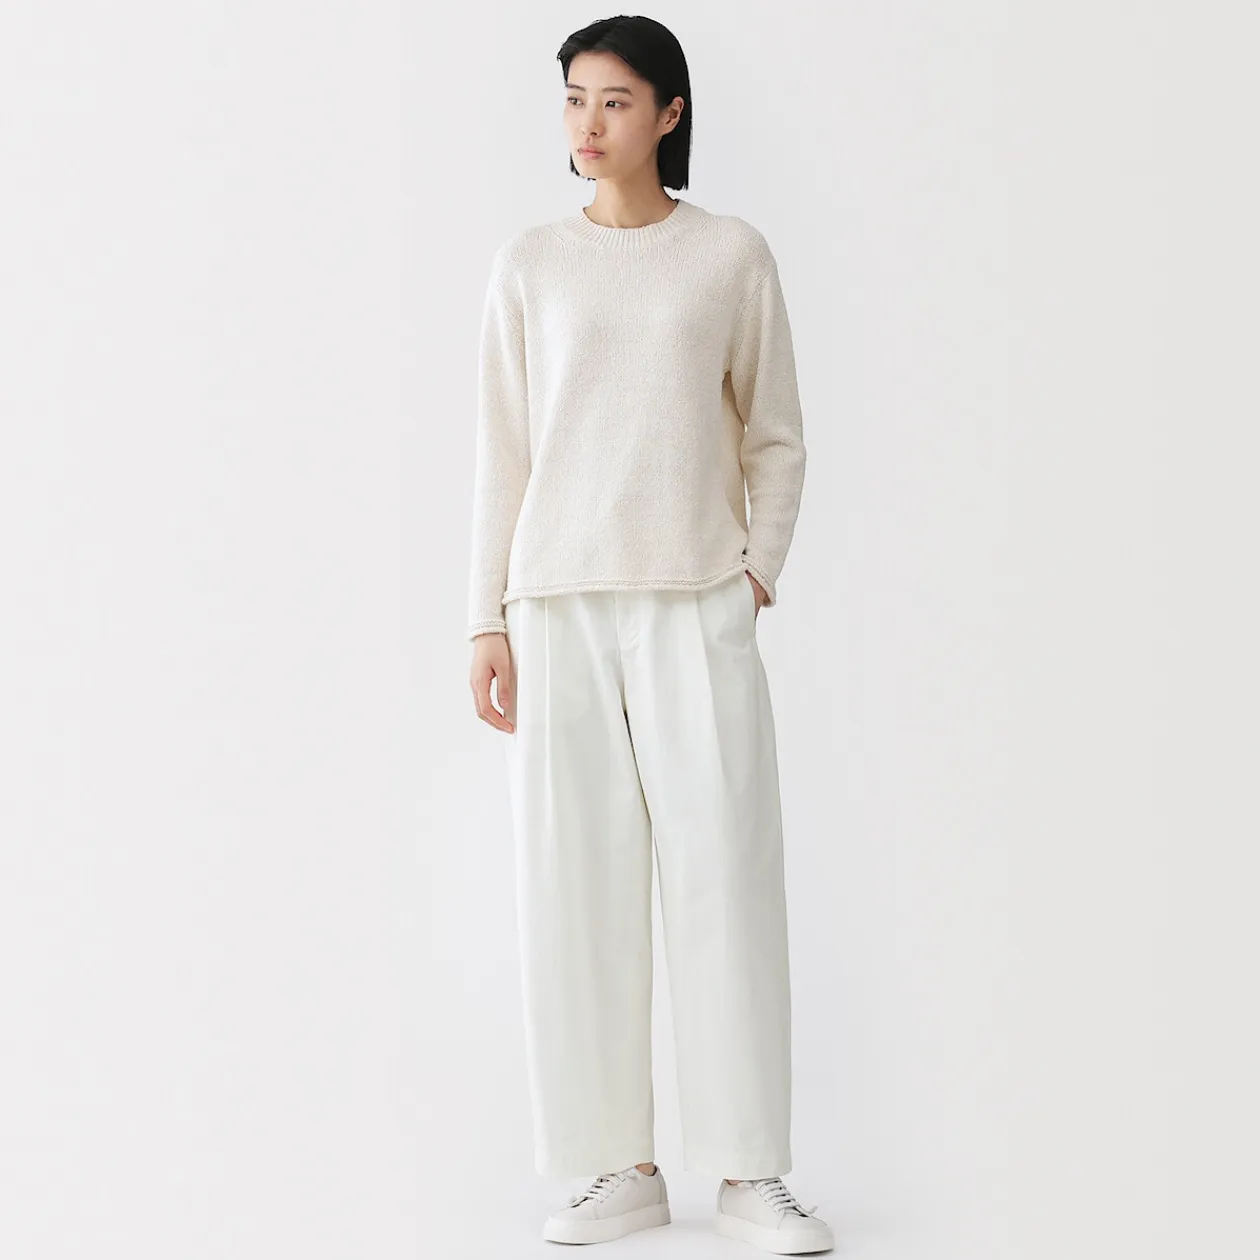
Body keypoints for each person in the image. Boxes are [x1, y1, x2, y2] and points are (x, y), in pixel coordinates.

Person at [466, 15, 833, 1255]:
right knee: (575, 888)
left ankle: (750, 1171)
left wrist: (755, 573)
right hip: (557, 606)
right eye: (575, 98)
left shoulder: (729, 256)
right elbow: (501, 452)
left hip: (693, 597)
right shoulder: (531, 264)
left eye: (616, 100)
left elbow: (776, 433)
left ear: (669, 114)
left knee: (728, 879)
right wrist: (483, 617)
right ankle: (611, 1167)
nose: (588, 122)